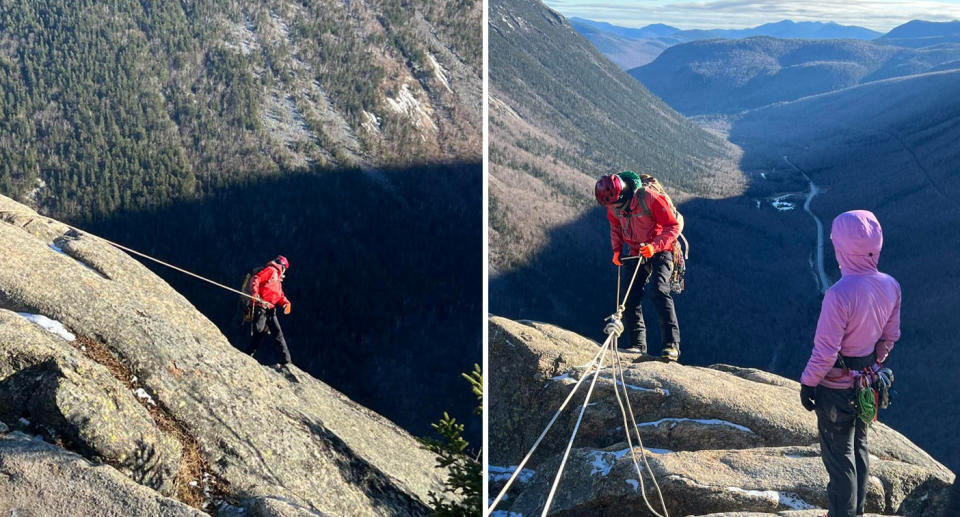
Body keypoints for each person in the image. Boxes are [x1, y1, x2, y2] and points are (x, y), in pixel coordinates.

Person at [799, 210, 900, 517]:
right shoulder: (891, 285)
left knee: (840, 460)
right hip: (868, 385)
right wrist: (872, 365)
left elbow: (826, 352)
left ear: (841, 248)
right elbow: (889, 337)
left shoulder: (839, 294)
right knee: (859, 449)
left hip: (836, 388)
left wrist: (808, 382)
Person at [594, 171, 681, 360]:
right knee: (629, 297)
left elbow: (672, 226)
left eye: (615, 204)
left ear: (624, 194)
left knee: (658, 291)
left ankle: (671, 345)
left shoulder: (649, 198)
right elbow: (615, 226)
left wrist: (655, 246)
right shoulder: (614, 205)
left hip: (662, 249)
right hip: (637, 251)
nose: (613, 208)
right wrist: (617, 250)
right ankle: (637, 345)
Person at [245, 255, 294, 374]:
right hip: (262, 307)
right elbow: (257, 279)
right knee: (260, 331)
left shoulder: (277, 278)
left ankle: (286, 360)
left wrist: (285, 303)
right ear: (282, 266)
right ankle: (286, 360)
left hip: (270, 310)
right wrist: (255, 294)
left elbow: (279, 295)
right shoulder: (271, 271)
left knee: (273, 333)